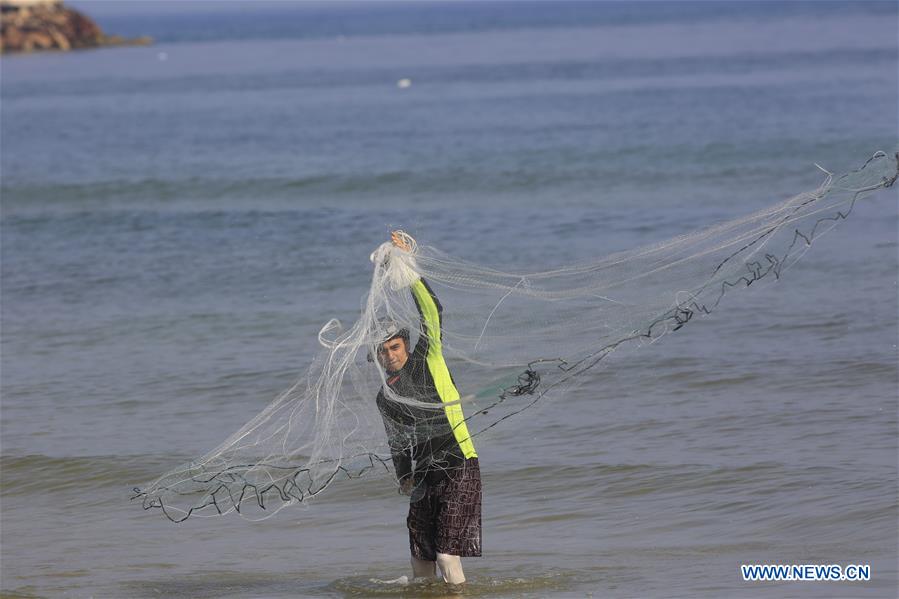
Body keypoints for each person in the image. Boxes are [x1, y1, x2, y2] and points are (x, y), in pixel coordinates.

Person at [375, 231, 481, 587]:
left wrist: (408, 268)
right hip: (423, 475)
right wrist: (403, 474)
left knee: (446, 555)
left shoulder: (428, 356)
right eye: (384, 350)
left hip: (458, 463)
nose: (391, 355)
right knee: (420, 557)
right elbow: (397, 439)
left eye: (395, 346)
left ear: (405, 344)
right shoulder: (385, 395)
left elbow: (433, 311)